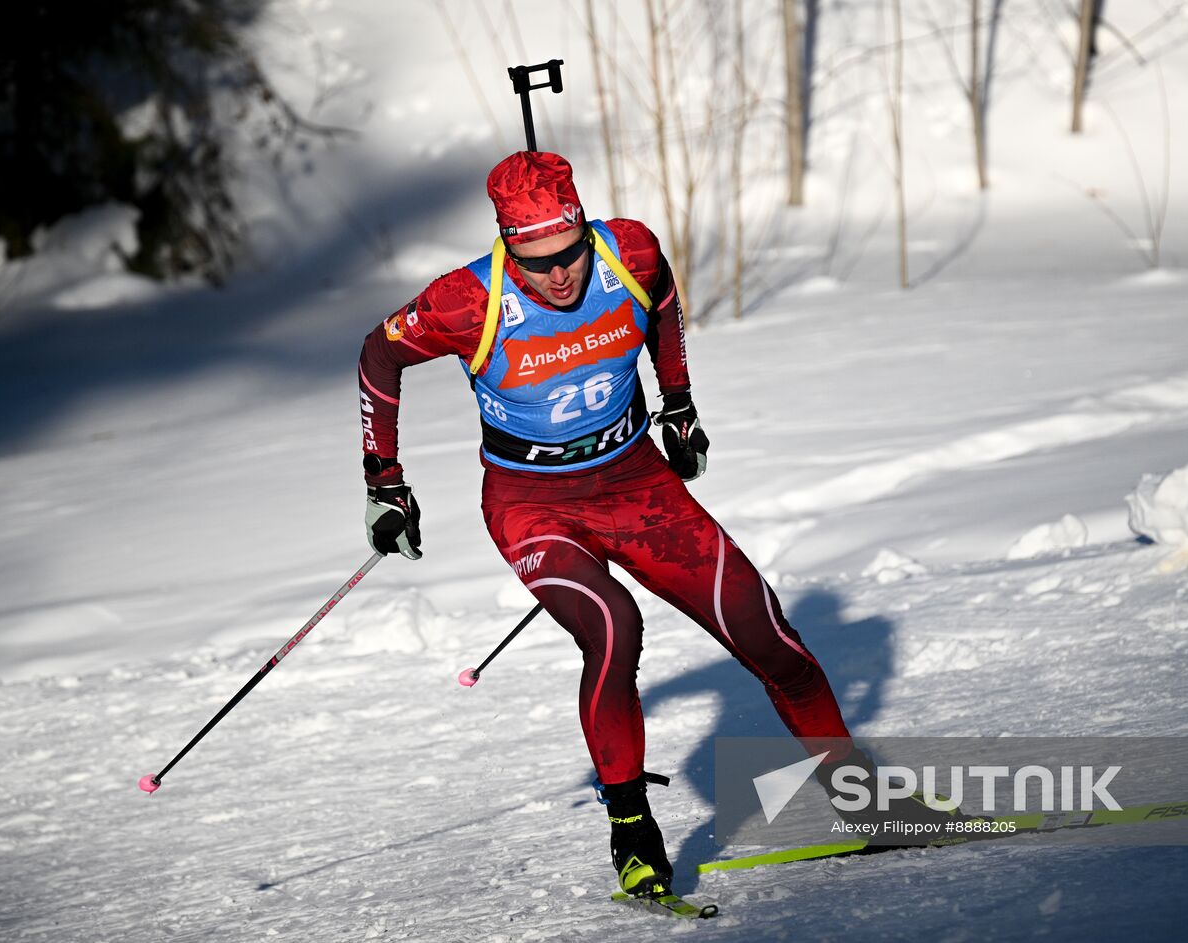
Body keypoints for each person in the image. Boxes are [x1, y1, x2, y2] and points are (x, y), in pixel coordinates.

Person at [357, 151, 861, 898]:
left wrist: (679, 401)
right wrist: (385, 482)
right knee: (613, 627)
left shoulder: (629, 251)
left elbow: (660, 299)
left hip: (640, 486)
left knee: (770, 637)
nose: (559, 276)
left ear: (586, 230)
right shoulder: (465, 300)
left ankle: (862, 800)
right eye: (537, 262)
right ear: (505, 245)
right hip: (533, 505)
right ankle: (633, 833)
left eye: (569, 254)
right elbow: (378, 355)